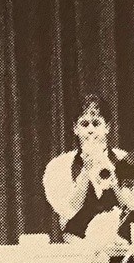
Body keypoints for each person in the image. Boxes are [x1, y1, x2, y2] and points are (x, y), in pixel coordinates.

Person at [43, 93, 129, 240]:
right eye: (84, 124)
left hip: (121, 246)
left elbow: (132, 208)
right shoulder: (59, 166)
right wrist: (85, 172)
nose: (90, 129)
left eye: (96, 123)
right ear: (75, 129)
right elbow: (69, 211)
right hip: (77, 246)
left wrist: (115, 181)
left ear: (107, 127)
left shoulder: (123, 159)